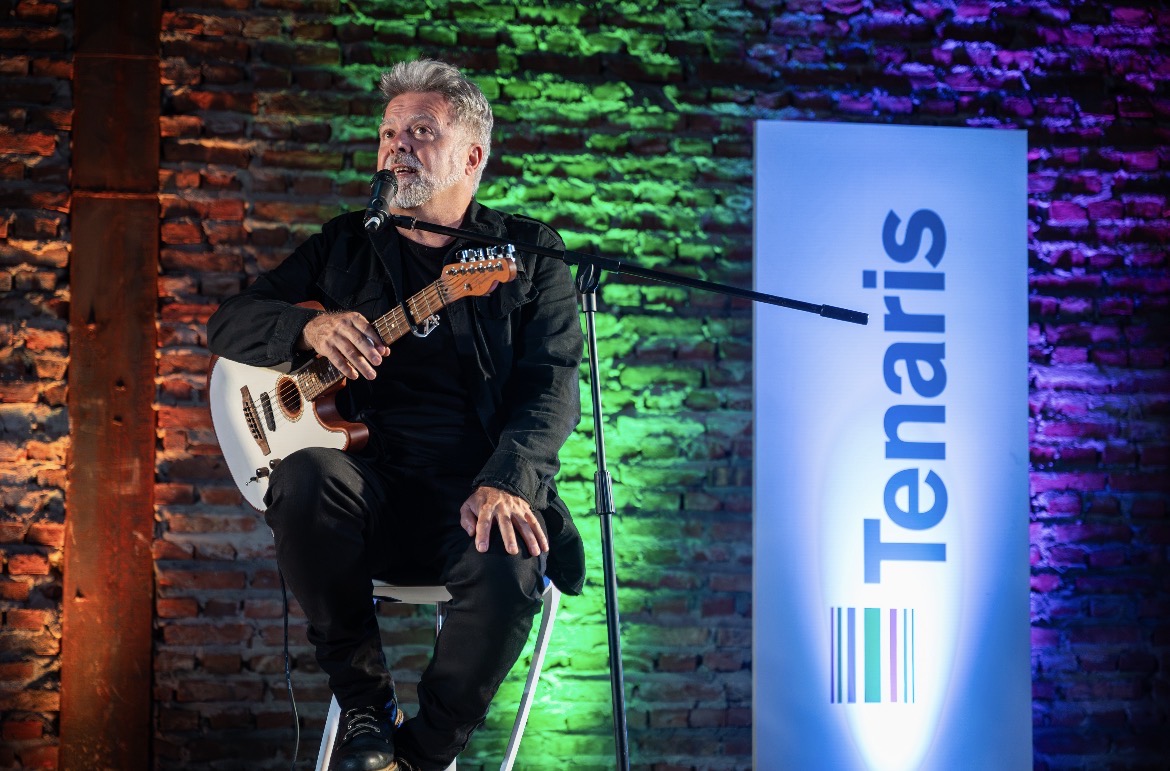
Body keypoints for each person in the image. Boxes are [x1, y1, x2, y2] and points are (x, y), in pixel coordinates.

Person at [207, 58, 585, 771]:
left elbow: (552, 386)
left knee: (511, 551)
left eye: (421, 131)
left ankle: (420, 753)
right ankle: (366, 707)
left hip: (473, 495)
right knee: (304, 476)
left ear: (472, 157)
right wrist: (306, 328)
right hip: (369, 495)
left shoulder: (529, 255)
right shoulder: (345, 243)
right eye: (387, 133)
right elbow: (228, 323)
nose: (396, 146)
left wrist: (509, 479)